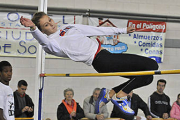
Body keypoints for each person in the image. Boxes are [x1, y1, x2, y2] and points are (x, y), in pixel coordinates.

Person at [20, 12, 158, 118]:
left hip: (107, 56)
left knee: (148, 77)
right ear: (42, 31)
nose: (51, 24)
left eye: (49, 20)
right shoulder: (52, 44)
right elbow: (44, 42)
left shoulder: (68, 27)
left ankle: (111, 93)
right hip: (101, 61)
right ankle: (120, 96)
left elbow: (95, 30)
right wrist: (33, 29)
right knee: (152, 65)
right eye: (46, 25)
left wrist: (122, 30)